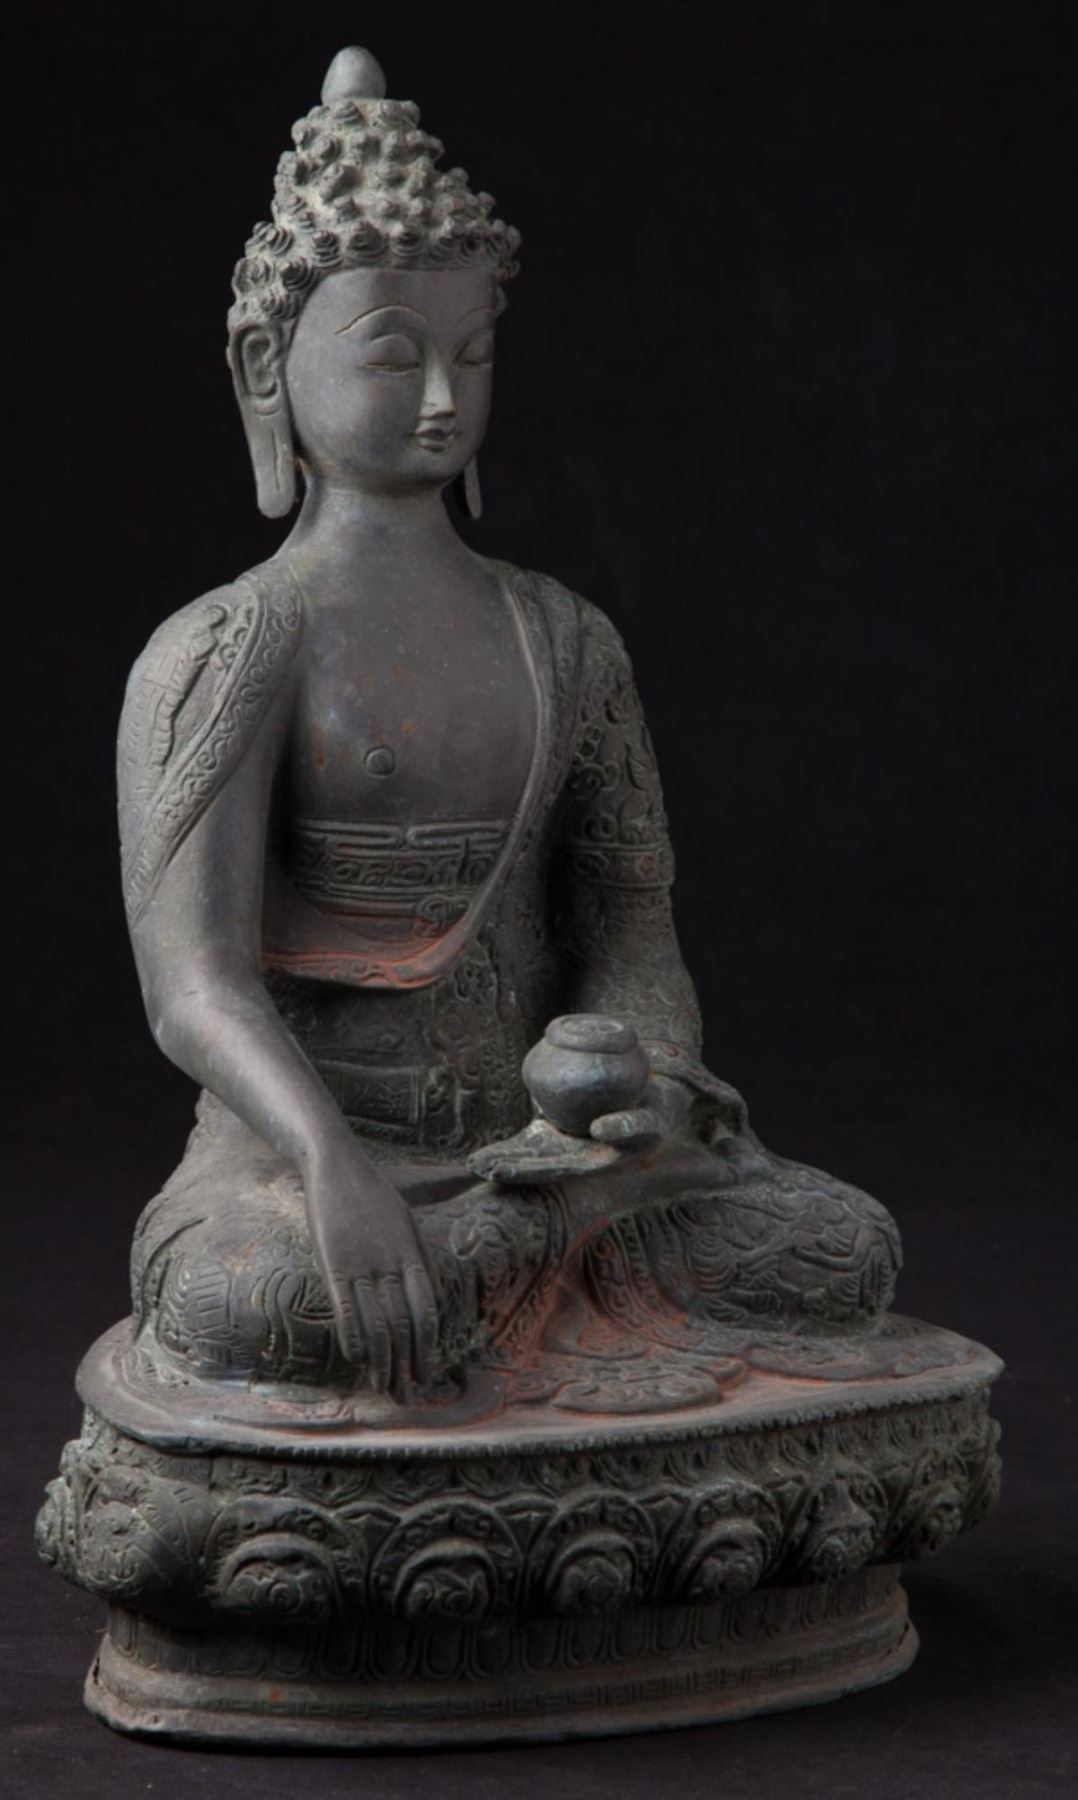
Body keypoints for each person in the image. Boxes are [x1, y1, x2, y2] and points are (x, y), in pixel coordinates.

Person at [122, 48, 900, 1408]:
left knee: (843, 1250)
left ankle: (520, 1256)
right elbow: (195, 988)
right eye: (393, 353)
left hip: (546, 1149)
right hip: (302, 1163)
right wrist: (329, 1160)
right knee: (253, 1308)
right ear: (265, 363)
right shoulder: (226, 648)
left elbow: (628, 928)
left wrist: (645, 1087)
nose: (442, 395)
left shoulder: (567, 636)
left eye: (470, 355)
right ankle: (512, 1266)